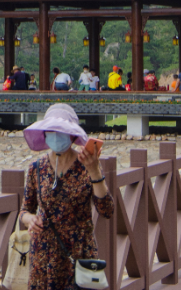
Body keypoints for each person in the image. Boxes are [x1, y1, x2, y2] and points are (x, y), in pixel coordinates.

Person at [18, 103, 113, 290]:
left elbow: (107, 210)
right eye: (51, 131)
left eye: (61, 131)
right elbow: (24, 211)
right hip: (43, 259)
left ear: (72, 135)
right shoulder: (36, 168)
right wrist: (30, 219)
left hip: (78, 257)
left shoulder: (87, 164)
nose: (55, 135)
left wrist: (94, 171)